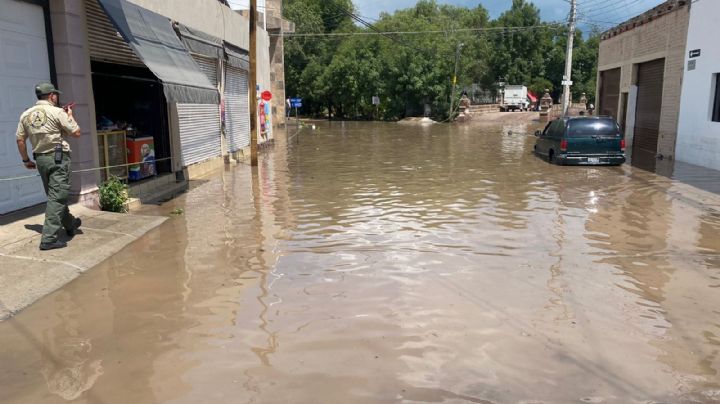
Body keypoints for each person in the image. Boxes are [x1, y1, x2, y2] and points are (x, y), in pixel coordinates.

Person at [16, 82, 82, 251]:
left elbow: (20, 140)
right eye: (55, 94)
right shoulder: (57, 111)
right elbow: (76, 132)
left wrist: (26, 160)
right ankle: (49, 239)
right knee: (57, 197)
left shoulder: (26, 115)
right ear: (52, 95)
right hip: (58, 158)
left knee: (55, 194)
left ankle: (70, 223)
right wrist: (70, 115)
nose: (56, 97)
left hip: (41, 160)